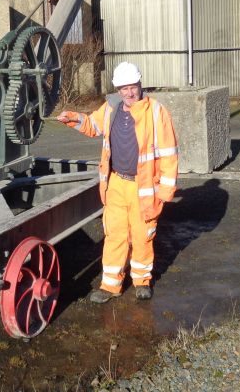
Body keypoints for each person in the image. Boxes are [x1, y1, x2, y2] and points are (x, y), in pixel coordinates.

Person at [57, 61, 178, 302]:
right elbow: (92, 125)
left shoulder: (156, 111)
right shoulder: (111, 109)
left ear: (140, 84)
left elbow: (168, 151)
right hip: (115, 184)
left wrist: (165, 190)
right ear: (117, 90)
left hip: (143, 187)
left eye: (133, 87)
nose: (129, 93)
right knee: (115, 235)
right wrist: (71, 118)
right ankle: (110, 285)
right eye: (124, 89)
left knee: (143, 235)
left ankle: (142, 281)